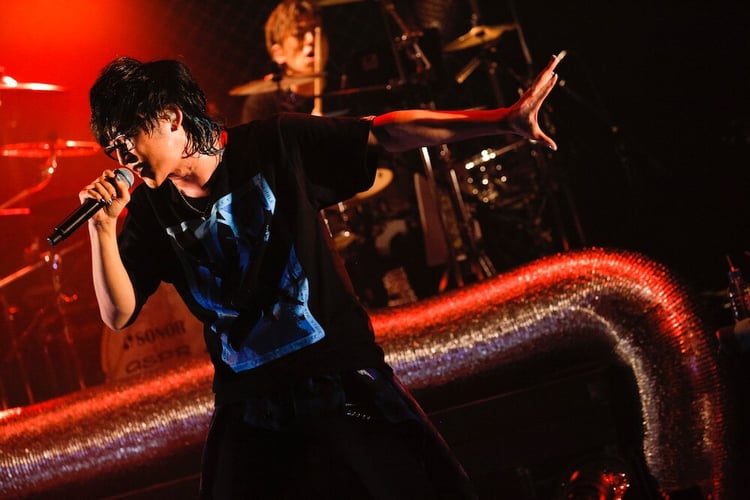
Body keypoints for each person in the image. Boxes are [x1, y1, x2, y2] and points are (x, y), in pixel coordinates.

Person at [82, 49, 564, 498]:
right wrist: (102, 229)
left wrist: (502, 120)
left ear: (170, 117)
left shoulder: (273, 143)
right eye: (111, 149)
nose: (122, 159)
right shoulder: (149, 212)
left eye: (126, 140)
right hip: (250, 402)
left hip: (338, 375)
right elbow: (118, 314)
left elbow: (383, 133)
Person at [240, 0, 328, 122]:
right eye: (299, 33)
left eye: (315, 31)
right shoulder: (262, 104)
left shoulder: (345, 90)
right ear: (279, 53)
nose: (311, 39)